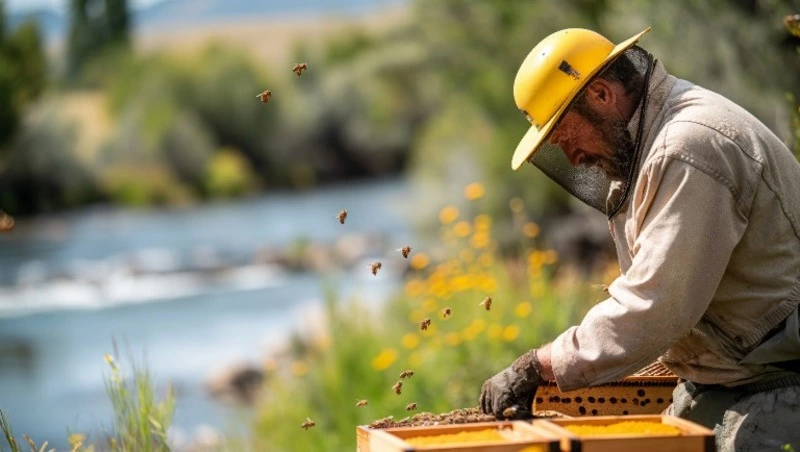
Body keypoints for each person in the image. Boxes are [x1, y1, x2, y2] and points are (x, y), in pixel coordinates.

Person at [479, 27, 800, 451]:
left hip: (780, 380)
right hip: (734, 376)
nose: (572, 158)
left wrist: (539, 365)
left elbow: (657, 304)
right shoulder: (655, 140)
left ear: (600, 94)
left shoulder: (689, 148)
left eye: (566, 136)